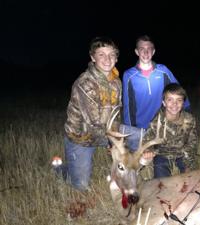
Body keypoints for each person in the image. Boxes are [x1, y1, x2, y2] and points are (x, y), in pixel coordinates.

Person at [59, 37, 122, 191]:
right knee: (81, 188)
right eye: (101, 54)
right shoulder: (85, 83)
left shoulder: (116, 81)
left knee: (139, 135)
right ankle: (61, 170)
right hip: (81, 138)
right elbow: (94, 124)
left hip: (105, 132)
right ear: (93, 57)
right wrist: (114, 143)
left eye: (111, 54)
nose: (107, 59)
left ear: (116, 57)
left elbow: (116, 114)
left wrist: (118, 139)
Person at [121, 35, 190, 151]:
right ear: (136, 52)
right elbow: (128, 105)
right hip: (141, 129)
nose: (146, 52)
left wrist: (187, 112)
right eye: (142, 49)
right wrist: (130, 130)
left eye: (149, 48)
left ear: (153, 51)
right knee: (139, 160)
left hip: (162, 125)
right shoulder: (129, 75)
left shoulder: (163, 71)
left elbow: (179, 91)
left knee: (167, 154)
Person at [142, 83, 197, 178]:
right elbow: (147, 140)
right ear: (164, 102)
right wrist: (148, 150)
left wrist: (188, 165)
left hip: (182, 155)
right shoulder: (156, 121)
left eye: (179, 100)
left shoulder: (189, 119)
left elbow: (192, 143)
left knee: (191, 179)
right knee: (161, 183)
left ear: (183, 103)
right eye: (170, 100)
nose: (174, 104)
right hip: (162, 155)